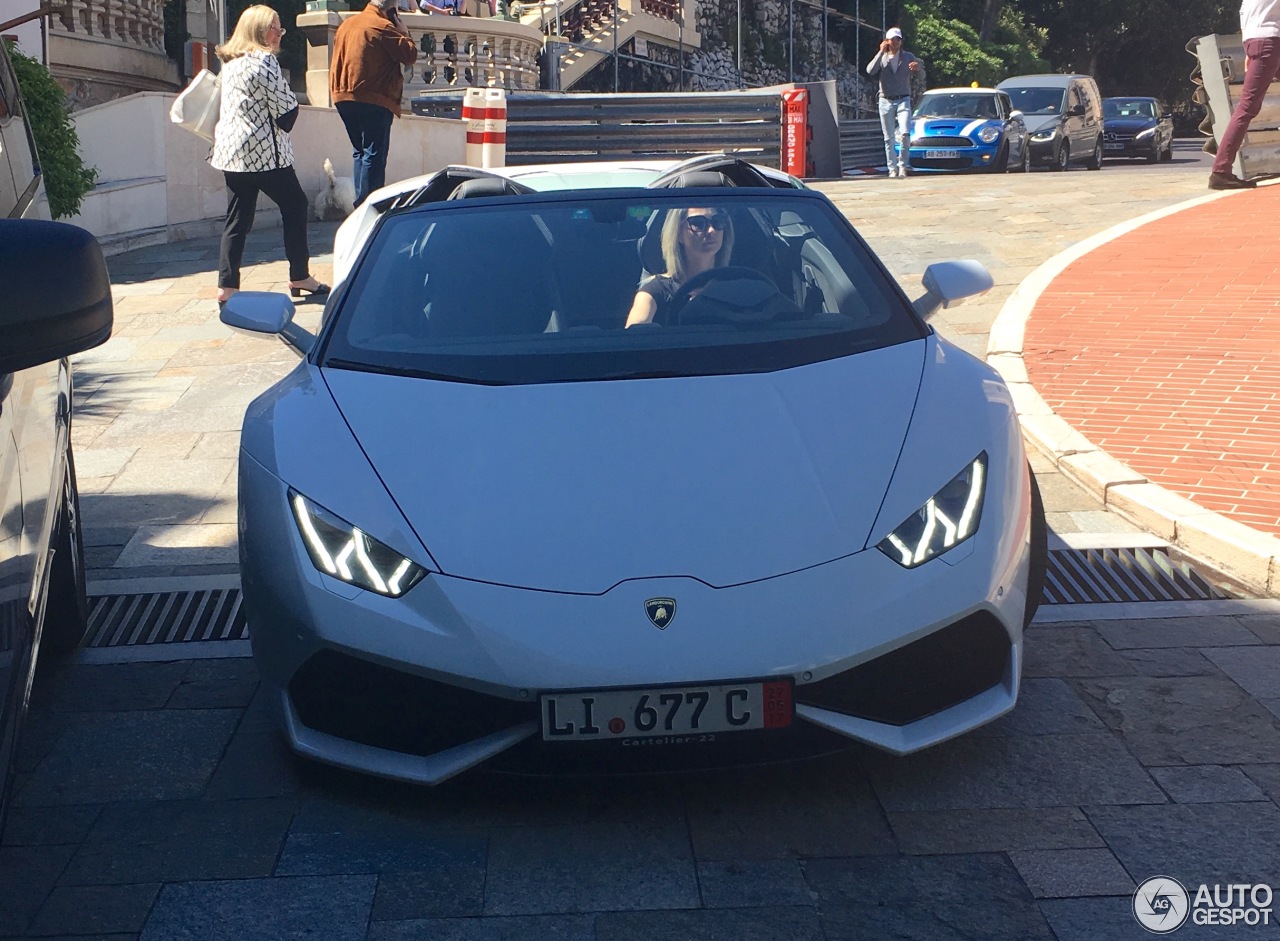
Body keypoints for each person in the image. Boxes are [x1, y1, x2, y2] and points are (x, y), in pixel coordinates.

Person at [210, 5, 327, 306]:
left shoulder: (231, 63)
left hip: (231, 153)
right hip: (263, 154)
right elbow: (287, 112)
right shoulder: (264, 62)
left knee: (238, 216)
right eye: (276, 28)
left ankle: (227, 286)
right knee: (296, 205)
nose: (280, 34)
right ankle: (300, 275)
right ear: (260, 31)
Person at [330, 0, 419, 208]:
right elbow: (409, 55)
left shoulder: (346, 25)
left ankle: (361, 205)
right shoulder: (383, 27)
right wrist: (404, 32)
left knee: (359, 152)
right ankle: (370, 206)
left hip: (343, 96)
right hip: (374, 97)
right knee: (374, 153)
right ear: (389, 9)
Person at [1208, 0, 1280, 189]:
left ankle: (1221, 170)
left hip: (1257, 41)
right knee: (1247, 108)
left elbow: (1245, 15)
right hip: (1270, 42)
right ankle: (1221, 171)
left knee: (1246, 107)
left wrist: (1248, 49)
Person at [625, 207, 735, 327]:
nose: (711, 230)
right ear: (678, 233)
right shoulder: (655, 290)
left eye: (718, 221)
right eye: (698, 223)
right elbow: (634, 336)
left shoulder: (737, 287)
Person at [866, 26, 924, 179]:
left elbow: (921, 76)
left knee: (904, 133)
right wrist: (880, 52)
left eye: (897, 39)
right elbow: (870, 70)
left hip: (903, 99)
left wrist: (917, 69)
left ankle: (903, 166)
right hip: (885, 100)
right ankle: (892, 168)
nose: (895, 42)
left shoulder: (908, 56)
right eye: (892, 39)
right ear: (887, 41)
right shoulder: (882, 58)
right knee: (888, 137)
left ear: (901, 41)